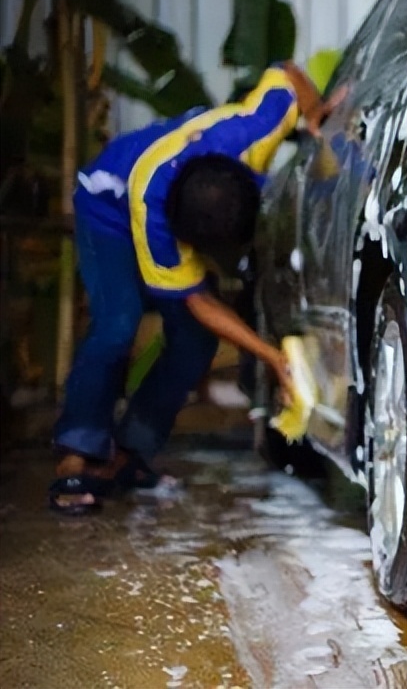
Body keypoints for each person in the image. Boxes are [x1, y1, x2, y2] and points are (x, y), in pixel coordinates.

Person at [48, 62, 331, 515]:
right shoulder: (153, 209)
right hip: (108, 211)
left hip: (175, 192)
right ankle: (76, 452)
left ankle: (127, 456)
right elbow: (197, 299)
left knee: (194, 342)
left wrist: (314, 112)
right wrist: (273, 357)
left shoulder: (254, 129)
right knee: (117, 324)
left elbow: (286, 73)